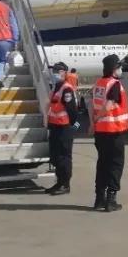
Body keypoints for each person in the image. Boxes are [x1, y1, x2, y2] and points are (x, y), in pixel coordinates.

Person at [91, 54, 128, 212]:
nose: (121, 69)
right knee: (115, 165)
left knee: (102, 164)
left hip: (100, 132)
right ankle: (111, 199)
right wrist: (98, 117)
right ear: (114, 69)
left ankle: (99, 198)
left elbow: (92, 105)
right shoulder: (115, 84)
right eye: (119, 67)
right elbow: (108, 106)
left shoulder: (98, 83)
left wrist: (93, 123)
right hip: (114, 131)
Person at [45, 62, 79, 195]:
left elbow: (72, 110)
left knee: (64, 157)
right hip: (55, 127)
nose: (54, 74)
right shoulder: (56, 87)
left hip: (64, 128)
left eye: (57, 71)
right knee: (55, 156)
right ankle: (59, 182)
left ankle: (65, 184)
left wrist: (72, 126)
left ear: (64, 73)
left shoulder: (66, 89)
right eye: (54, 71)